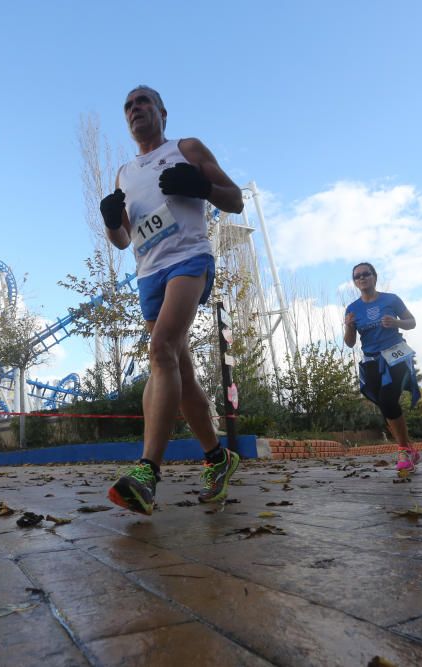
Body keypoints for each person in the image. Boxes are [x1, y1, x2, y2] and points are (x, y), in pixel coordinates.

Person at [100, 86, 244, 515]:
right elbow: (123, 240)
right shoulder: (124, 173)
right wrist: (110, 223)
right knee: (178, 372)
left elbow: (234, 199)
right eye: (128, 106)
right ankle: (218, 457)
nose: (135, 109)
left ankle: (147, 473)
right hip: (148, 274)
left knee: (160, 349)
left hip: (188, 259)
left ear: (162, 111)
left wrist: (201, 185)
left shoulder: (187, 147)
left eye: (143, 102)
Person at [343, 263, 421, 473]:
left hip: (395, 355)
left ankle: (404, 450)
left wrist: (396, 323)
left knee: (388, 399)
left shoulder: (391, 299)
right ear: (355, 282)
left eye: (366, 274)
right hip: (371, 361)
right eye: (357, 276)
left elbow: (412, 322)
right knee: (386, 405)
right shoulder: (352, 308)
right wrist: (349, 326)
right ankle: (409, 448)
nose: (362, 278)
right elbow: (350, 343)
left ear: (374, 277)